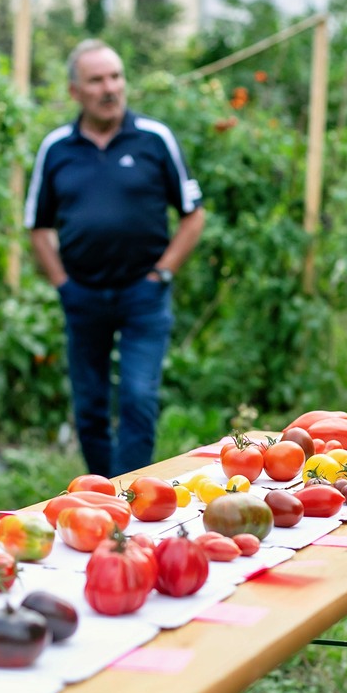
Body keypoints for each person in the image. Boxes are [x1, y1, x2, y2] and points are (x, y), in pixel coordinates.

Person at [25, 39, 205, 477]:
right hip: (83, 295)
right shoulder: (56, 148)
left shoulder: (154, 139)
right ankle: (102, 494)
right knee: (89, 405)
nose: (109, 88)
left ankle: (131, 495)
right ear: (74, 91)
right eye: (96, 80)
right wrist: (63, 284)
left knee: (138, 397)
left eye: (116, 77)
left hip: (143, 293)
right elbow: (37, 226)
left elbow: (193, 215)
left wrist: (161, 274)